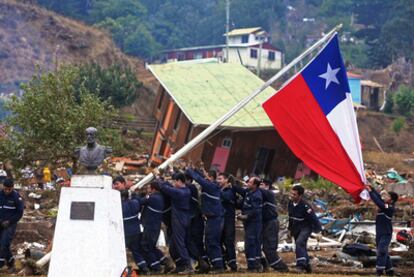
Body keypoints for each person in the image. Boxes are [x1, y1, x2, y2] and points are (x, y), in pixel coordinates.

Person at [186, 168, 225, 274]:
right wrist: (196, 169)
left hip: (215, 218)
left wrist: (188, 170)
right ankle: (211, 264)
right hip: (211, 218)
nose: (205, 178)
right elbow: (201, 177)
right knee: (208, 242)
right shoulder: (209, 186)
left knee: (213, 242)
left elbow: (199, 179)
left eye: (207, 176)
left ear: (211, 178)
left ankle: (218, 266)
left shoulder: (211, 186)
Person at [159, 172, 194, 274]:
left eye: (174, 181)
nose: (173, 183)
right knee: (173, 246)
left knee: (179, 243)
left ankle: (188, 266)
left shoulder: (180, 193)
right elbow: (170, 187)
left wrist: (159, 178)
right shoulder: (185, 190)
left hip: (180, 219)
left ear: (179, 181)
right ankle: (180, 265)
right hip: (183, 218)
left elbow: (166, 189)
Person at [113, 176, 149, 274]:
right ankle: (144, 268)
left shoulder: (119, 206)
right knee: (136, 250)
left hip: (125, 231)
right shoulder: (135, 203)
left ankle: (122, 269)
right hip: (136, 230)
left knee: (120, 251)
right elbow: (139, 202)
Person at [140, 181, 173, 274]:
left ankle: (157, 267)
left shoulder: (152, 197)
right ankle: (165, 261)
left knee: (146, 246)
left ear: (153, 189)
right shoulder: (160, 197)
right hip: (155, 225)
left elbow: (140, 202)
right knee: (150, 246)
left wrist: (136, 195)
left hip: (150, 225)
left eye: (149, 188)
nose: (148, 190)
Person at [365, 185, 399, 276]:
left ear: (391, 200)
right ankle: (390, 270)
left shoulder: (389, 207)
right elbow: (379, 198)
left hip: (386, 234)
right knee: (383, 251)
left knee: (382, 251)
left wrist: (370, 192)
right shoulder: (386, 205)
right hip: (379, 233)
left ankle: (379, 271)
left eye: (387, 196)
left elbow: (379, 202)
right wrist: (371, 189)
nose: (385, 196)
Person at [288, 184, 322, 273]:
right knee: (300, 246)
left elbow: (314, 218)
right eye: (291, 194)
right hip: (295, 228)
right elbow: (290, 217)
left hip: (305, 227)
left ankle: (300, 265)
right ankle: (307, 266)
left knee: (299, 243)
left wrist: (318, 231)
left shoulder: (306, 206)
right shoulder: (290, 203)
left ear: (300, 196)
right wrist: (290, 229)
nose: (292, 196)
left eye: (294, 194)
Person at [233, 176, 263, 272]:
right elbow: (240, 191)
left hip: (254, 223)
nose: (247, 184)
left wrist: (246, 216)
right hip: (249, 223)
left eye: (249, 183)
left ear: (254, 185)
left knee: (251, 244)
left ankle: (253, 267)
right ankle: (256, 266)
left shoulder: (256, 196)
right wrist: (233, 183)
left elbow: (256, 210)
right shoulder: (249, 192)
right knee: (252, 244)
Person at [259, 179, 288, 272]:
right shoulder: (259, 195)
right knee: (257, 246)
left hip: (271, 224)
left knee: (269, 248)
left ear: (267, 186)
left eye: (261, 184)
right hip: (262, 223)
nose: (259, 186)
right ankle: (264, 265)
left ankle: (282, 267)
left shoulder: (269, 193)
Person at [184, 173, 209, 273]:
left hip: (196, 220)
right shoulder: (191, 188)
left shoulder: (191, 188)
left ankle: (203, 263)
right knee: (196, 243)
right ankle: (203, 263)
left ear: (189, 181)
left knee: (195, 242)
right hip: (195, 220)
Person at [0, 179, 24, 272]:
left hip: (10, 224)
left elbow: (19, 213)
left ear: (12, 188)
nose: (7, 191)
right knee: (1, 245)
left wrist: (9, 221)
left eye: (9, 189)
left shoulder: (16, 197)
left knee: (4, 245)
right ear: (3, 187)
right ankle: (11, 261)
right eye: (5, 189)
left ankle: (1, 264)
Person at [217, 172, 237, 272]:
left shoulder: (230, 190)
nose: (218, 181)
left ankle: (233, 265)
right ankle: (224, 262)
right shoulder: (220, 190)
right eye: (217, 179)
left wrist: (217, 191)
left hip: (228, 220)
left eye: (220, 179)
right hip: (220, 219)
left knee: (229, 242)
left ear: (226, 180)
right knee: (218, 241)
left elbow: (227, 197)